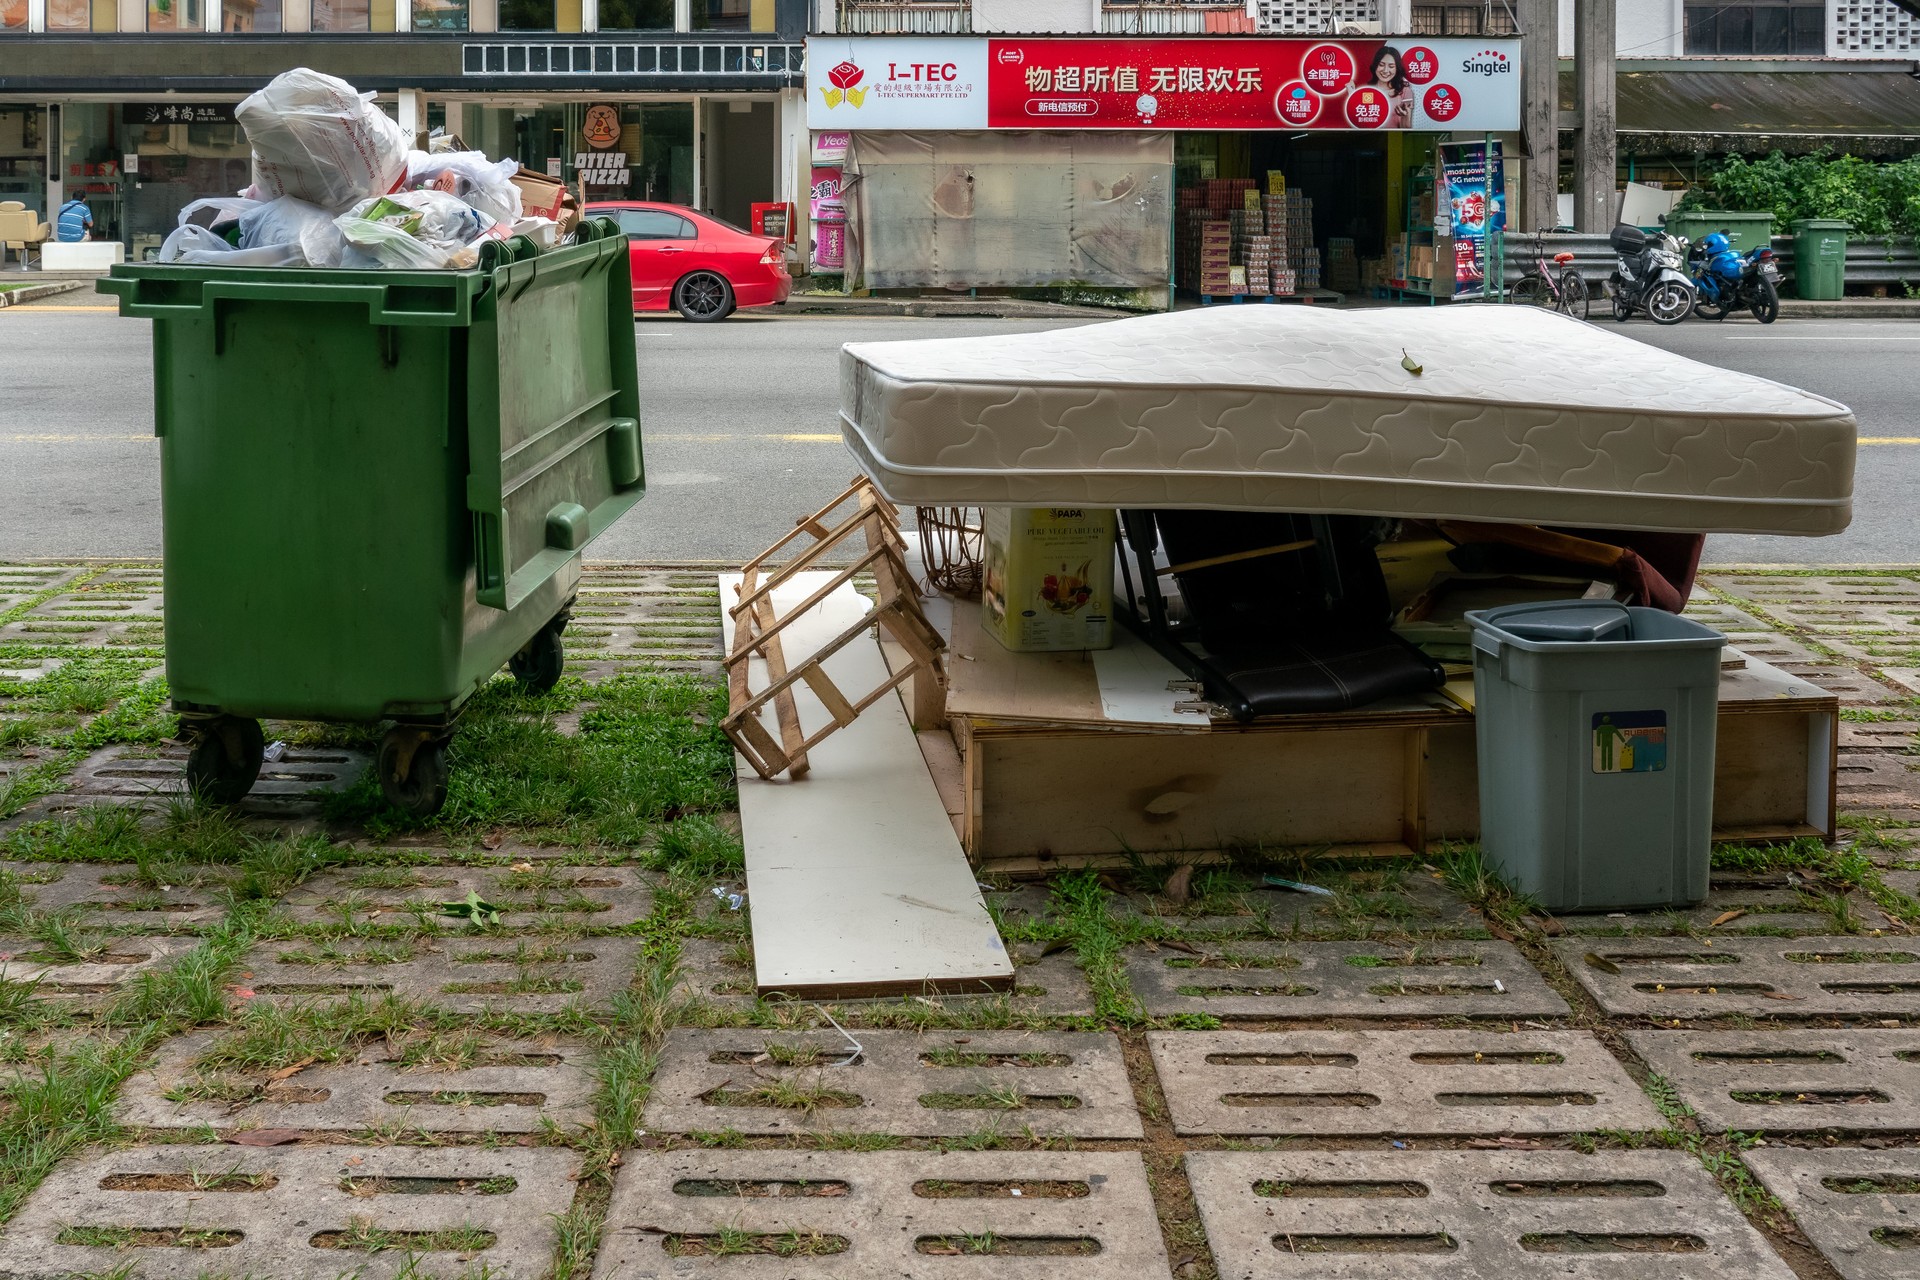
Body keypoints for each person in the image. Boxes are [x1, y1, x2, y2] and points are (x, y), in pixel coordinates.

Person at [1369, 46, 1416, 129]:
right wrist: (1352, 95)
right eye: (1381, 65)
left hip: (1394, 138)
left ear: (1397, 68)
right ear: (1375, 65)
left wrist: (1405, 117)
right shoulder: (1367, 89)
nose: (1385, 70)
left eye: (1391, 66)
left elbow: (1406, 128)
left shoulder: (1405, 91)